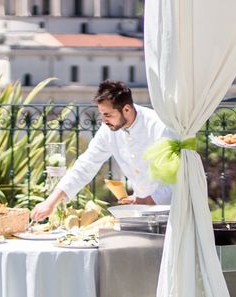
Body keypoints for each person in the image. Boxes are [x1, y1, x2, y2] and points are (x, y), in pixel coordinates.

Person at [31, 80, 172, 221]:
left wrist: (145, 201)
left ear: (127, 109)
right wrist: (51, 202)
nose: (103, 120)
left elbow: (180, 178)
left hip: (171, 210)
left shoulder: (160, 126)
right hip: (140, 212)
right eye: (102, 114)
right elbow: (86, 164)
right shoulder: (108, 129)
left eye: (108, 115)